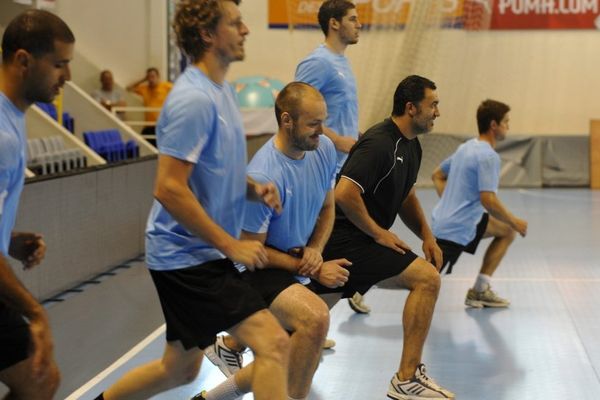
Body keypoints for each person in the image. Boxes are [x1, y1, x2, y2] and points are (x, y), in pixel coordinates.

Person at [94, 1, 290, 399]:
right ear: (207, 34)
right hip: (188, 258)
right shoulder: (193, 100)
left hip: (200, 255)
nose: (245, 30)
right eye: (235, 24)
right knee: (275, 343)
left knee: (180, 370)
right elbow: (168, 188)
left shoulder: (220, 92)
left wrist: (253, 189)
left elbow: (213, 171)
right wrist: (230, 243)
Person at [194, 82, 350, 400]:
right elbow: (253, 252)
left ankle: (209, 398)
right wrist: (311, 268)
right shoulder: (265, 175)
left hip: (294, 260)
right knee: (314, 319)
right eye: (313, 124)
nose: (323, 131)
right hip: (253, 268)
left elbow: (327, 207)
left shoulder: (323, 150)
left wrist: (316, 253)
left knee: (297, 352)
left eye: (323, 121)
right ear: (286, 120)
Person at [313, 75, 455, 399]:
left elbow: (406, 196)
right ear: (410, 107)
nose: (437, 112)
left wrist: (427, 236)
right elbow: (345, 193)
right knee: (427, 279)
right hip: (346, 240)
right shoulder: (380, 142)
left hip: (360, 240)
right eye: (432, 104)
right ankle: (406, 378)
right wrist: (379, 233)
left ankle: (230, 349)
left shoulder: (412, 146)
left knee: (301, 323)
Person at [0, 9, 74, 399]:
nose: (68, 77)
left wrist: (7, 240)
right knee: (40, 380)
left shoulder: (13, 119)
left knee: (40, 381)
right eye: (59, 64)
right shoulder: (2, 134)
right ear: (24, 60)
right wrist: (37, 311)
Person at [295, 0, 369, 321]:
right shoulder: (318, 62)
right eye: (353, 19)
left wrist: (358, 137)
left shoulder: (342, 62)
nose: (359, 24)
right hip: (322, 166)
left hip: (343, 166)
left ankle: (317, 310)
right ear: (334, 24)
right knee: (313, 245)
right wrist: (338, 141)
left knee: (334, 243)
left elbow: (340, 116)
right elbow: (300, 111)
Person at [431, 99, 528, 308]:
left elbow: (437, 175)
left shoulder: (466, 148)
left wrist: (450, 203)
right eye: (506, 122)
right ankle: (365, 286)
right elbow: (488, 200)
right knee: (422, 275)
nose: (508, 126)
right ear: (494, 125)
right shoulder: (488, 157)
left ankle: (480, 290)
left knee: (506, 231)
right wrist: (515, 220)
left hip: (455, 220)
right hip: (455, 229)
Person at [126, 67, 173, 138]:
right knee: (143, 144)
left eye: (153, 76)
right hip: (149, 125)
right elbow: (128, 88)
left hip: (163, 125)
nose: (151, 79)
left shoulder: (166, 86)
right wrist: (143, 79)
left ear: (158, 77)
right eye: (149, 77)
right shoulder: (144, 88)